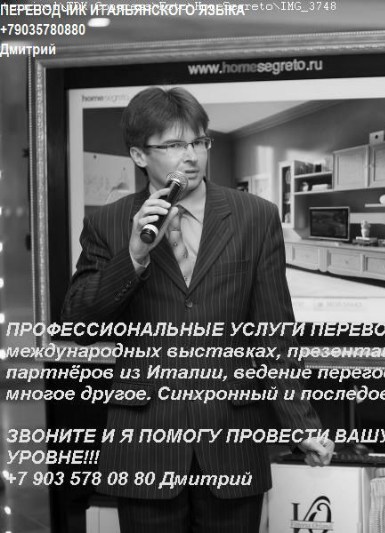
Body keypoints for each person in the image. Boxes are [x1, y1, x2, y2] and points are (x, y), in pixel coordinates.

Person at [61, 86, 332, 533]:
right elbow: (78, 324)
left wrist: (300, 425)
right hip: (145, 441)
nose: (190, 156)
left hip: (232, 434)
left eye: (198, 142)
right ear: (139, 154)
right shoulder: (108, 223)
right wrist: (132, 257)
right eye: (173, 144)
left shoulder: (255, 216)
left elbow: (274, 333)